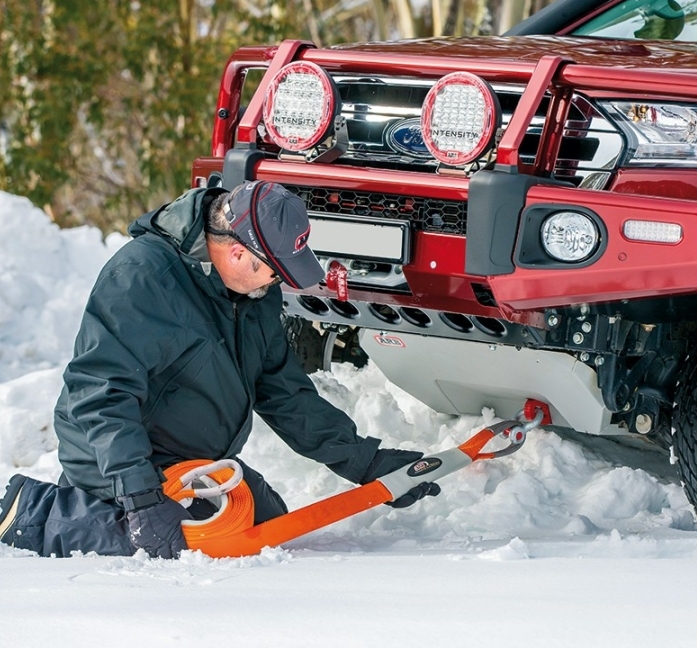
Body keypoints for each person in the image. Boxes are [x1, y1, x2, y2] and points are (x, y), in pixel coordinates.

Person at [0, 180, 438, 558]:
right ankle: (36, 513)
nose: (278, 283)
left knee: (268, 525)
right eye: (275, 272)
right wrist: (140, 497)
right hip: (118, 458)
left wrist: (365, 462)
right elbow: (101, 394)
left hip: (192, 459)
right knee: (194, 541)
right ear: (237, 252)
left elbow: (282, 391)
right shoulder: (142, 277)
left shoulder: (252, 293)